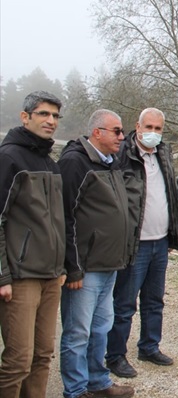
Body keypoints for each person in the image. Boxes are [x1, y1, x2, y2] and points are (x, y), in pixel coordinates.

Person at [58, 109, 134, 398]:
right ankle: (75, 390)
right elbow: (65, 217)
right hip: (85, 268)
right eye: (116, 131)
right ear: (97, 132)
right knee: (78, 333)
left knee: (101, 328)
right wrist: (72, 266)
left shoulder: (111, 163)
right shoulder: (74, 163)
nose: (122, 136)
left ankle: (98, 382)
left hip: (109, 264)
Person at [106, 108, 178, 378]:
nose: (153, 132)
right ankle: (115, 356)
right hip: (134, 244)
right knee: (125, 303)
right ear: (137, 127)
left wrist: (176, 234)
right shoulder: (122, 155)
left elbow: (171, 196)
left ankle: (149, 346)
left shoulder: (163, 153)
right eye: (148, 126)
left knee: (154, 300)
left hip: (160, 242)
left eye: (158, 128)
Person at [0, 91, 67, 398]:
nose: (50, 121)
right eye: (43, 114)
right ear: (25, 117)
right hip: (21, 277)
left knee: (43, 355)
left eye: (55, 116)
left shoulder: (50, 163)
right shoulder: (9, 158)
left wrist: (63, 266)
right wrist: (3, 275)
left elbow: (57, 222)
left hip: (51, 275)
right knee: (18, 361)